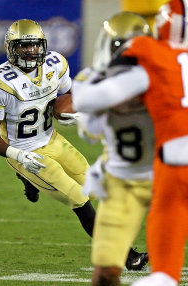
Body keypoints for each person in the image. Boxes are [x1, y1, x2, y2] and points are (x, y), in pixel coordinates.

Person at [0, 19, 147, 271]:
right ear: (11, 48)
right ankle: (125, 255)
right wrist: (18, 156)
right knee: (79, 199)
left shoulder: (55, 63)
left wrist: (73, 112)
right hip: (25, 151)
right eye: (23, 46)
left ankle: (27, 181)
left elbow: (71, 96)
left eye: (34, 46)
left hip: (53, 139)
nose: (30, 51)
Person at [71, 0, 188, 284]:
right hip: (127, 180)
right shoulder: (153, 70)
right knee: (108, 269)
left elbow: (87, 122)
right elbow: (90, 126)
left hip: (161, 173)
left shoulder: (145, 73)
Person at [72, 12, 153, 286]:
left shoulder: (94, 83)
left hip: (167, 178)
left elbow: (88, 125)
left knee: (166, 266)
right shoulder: (103, 83)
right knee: (106, 272)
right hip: (120, 182)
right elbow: (90, 132)